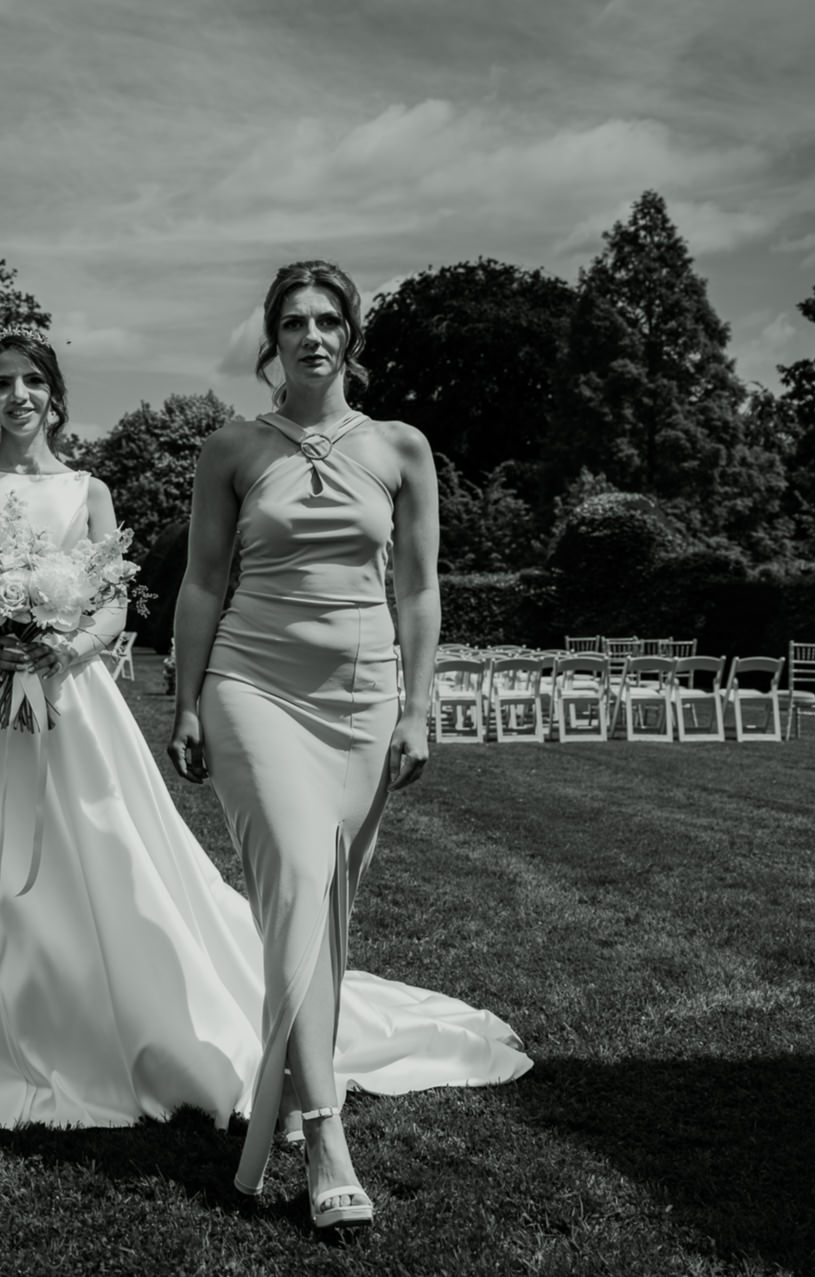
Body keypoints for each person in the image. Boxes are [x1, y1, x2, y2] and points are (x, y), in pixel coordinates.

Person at [0, 327, 527, 1178]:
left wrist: (62, 645)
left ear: (56, 397)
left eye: (33, 381)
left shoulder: (91, 491)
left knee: (97, 851)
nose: (18, 396)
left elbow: (113, 603)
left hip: (68, 696)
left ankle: (85, 1016)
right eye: (1, 383)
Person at [166, 259, 492, 1230]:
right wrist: (186, 702)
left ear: (350, 335)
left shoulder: (401, 447)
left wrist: (418, 706)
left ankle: (291, 1091)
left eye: (329, 320)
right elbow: (202, 581)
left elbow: (418, 589)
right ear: (272, 340)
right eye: (295, 322)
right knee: (301, 880)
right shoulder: (230, 448)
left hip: (362, 703)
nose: (313, 336)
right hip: (251, 687)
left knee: (327, 913)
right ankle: (324, 1131)